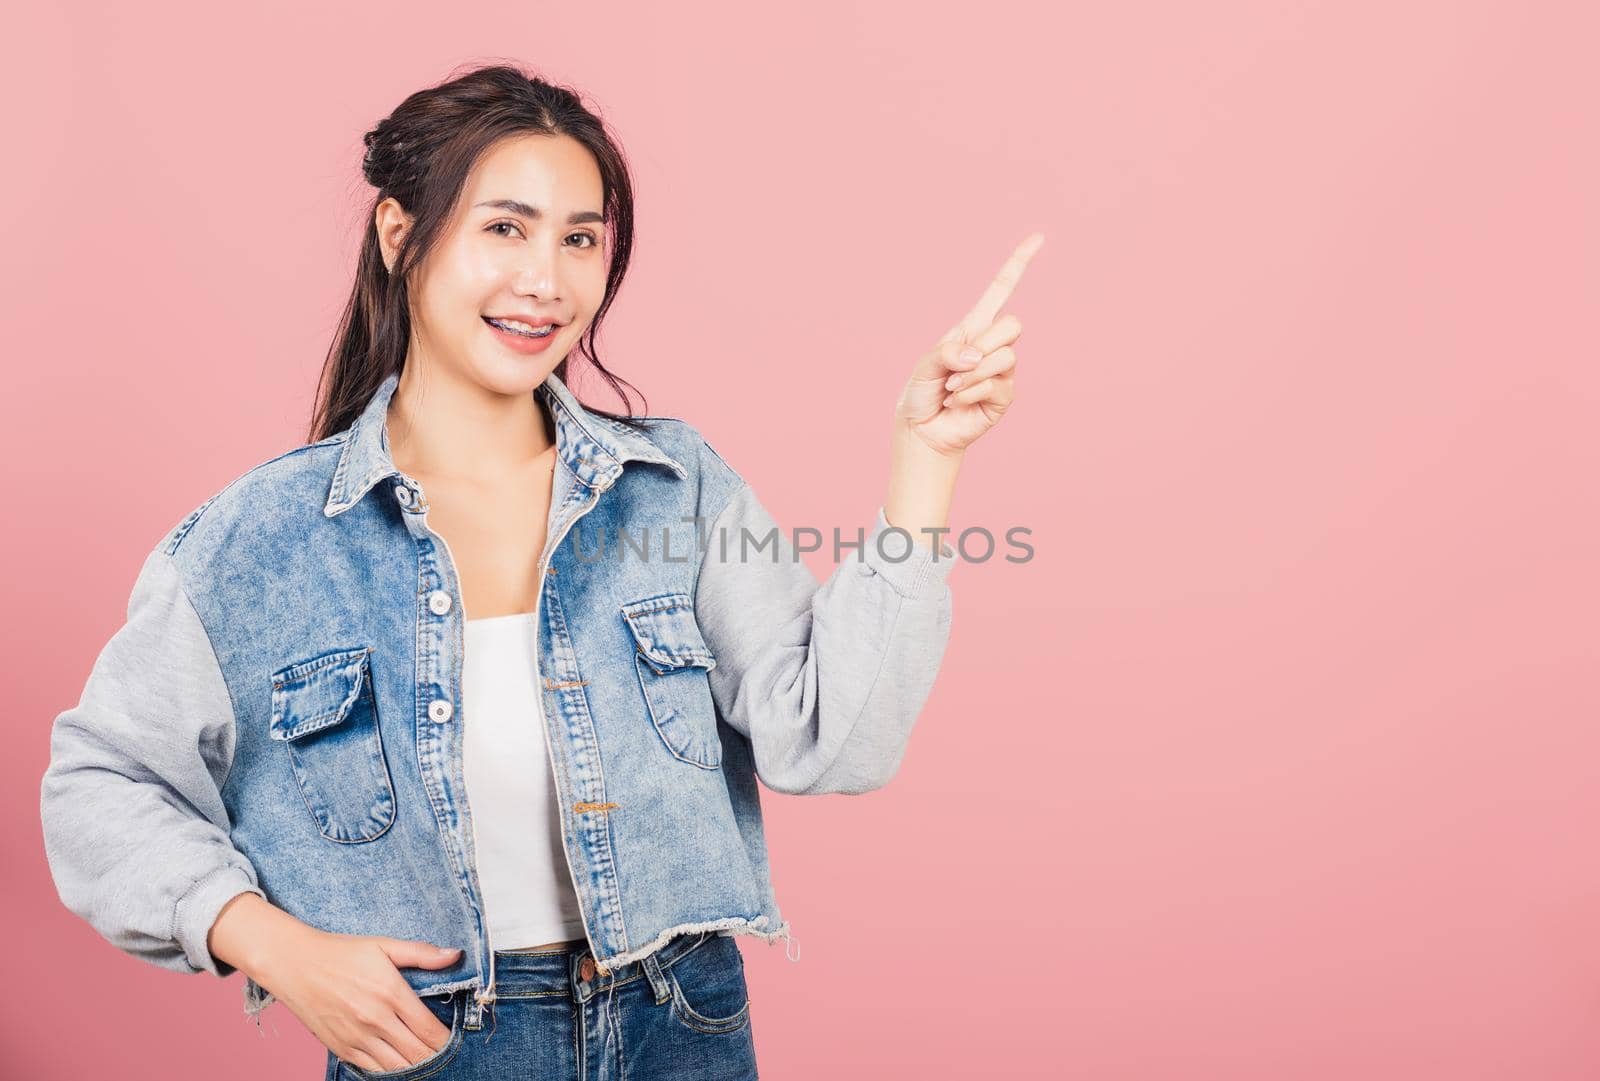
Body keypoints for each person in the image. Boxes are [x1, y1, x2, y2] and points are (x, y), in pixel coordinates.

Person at [39, 62, 1041, 1079]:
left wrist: (928, 462)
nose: (547, 281)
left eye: (579, 238)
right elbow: (99, 785)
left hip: (679, 1021)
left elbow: (835, 741)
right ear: (399, 237)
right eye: (505, 228)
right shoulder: (263, 542)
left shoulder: (671, 489)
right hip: (432, 1045)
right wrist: (271, 944)